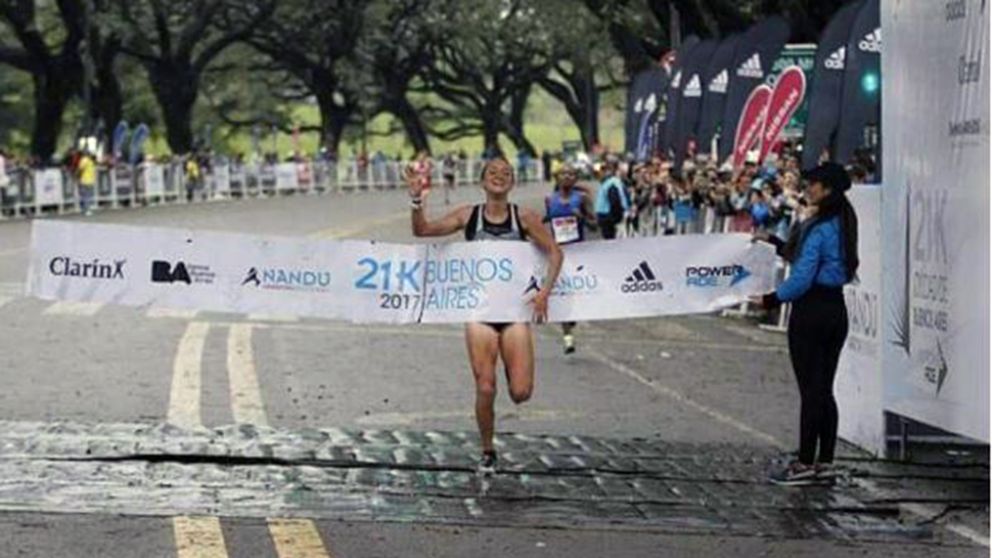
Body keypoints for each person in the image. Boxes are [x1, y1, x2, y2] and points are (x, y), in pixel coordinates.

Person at [405, 157, 564, 476]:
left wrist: (545, 292)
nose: (499, 177)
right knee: (486, 387)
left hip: (514, 313)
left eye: (506, 173)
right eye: (493, 172)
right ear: (482, 181)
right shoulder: (469, 215)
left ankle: (510, 365)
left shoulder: (526, 218)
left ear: (512, 183)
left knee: (521, 393)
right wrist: (416, 198)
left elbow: (555, 252)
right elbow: (422, 230)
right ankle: (487, 449)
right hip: (479, 314)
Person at [753, 162, 859, 486]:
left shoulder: (819, 226)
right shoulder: (843, 221)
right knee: (824, 389)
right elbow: (804, 258)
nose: (807, 189)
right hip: (835, 309)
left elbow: (802, 276)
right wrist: (773, 240)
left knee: (810, 391)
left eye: (812, 184)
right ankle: (825, 461)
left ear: (826, 189)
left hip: (810, 311)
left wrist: (772, 299)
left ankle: (803, 463)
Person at [544, 163, 595, 354]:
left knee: (578, 294)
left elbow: (594, 225)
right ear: (557, 177)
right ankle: (568, 338)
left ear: (575, 179)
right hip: (559, 254)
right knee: (562, 294)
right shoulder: (549, 199)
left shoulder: (581, 198)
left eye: (571, 174)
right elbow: (548, 222)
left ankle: (572, 319)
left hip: (579, 254)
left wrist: (582, 217)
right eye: (563, 173)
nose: (567, 176)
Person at [593, 157, 629, 239]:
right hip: (608, 218)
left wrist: (615, 220)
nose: (599, 174)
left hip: (609, 219)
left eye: (601, 171)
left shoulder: (611, 183)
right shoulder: (608, 183)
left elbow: (615, 202)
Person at [77, 150, 98, 216]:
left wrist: (77, 176)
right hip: (90, 180)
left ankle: (85, 209)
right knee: (88, 196)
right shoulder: (91, 161)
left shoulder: (84, 160)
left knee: (85, 196)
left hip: (84, 180)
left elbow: (80, 169)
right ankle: (87, 209)